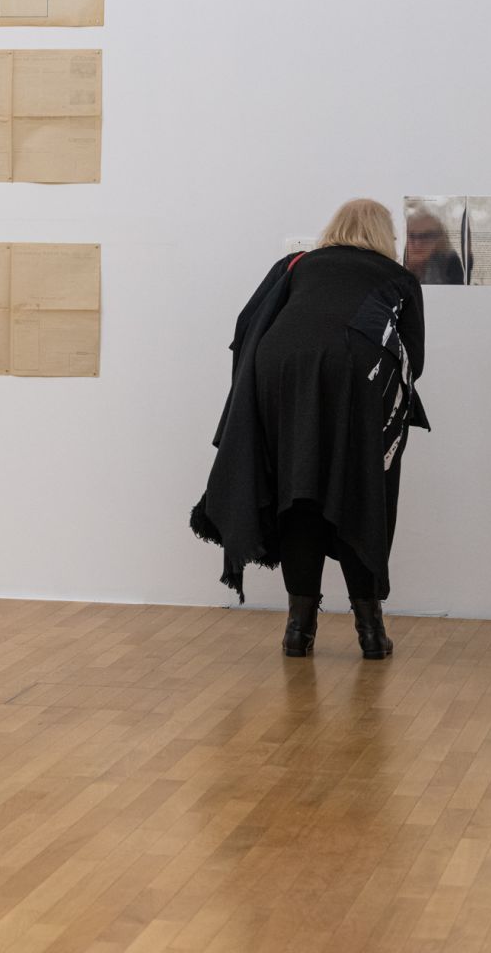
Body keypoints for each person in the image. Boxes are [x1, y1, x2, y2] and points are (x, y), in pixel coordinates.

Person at [190, 199, 428, 660]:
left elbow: (247, 325)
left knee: (297, 493)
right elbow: (413, 361)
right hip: (358, 375)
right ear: (386, 235)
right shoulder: (397, 277)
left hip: (280, 372)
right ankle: (371, 633)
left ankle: (298, 632)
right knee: (362, 493)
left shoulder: (296, 265)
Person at [403, 204, 464, 285]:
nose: (418, 244)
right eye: (411, 235)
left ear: (440, 239)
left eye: (426, 236)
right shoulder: (395, 263)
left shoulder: (451, 261)